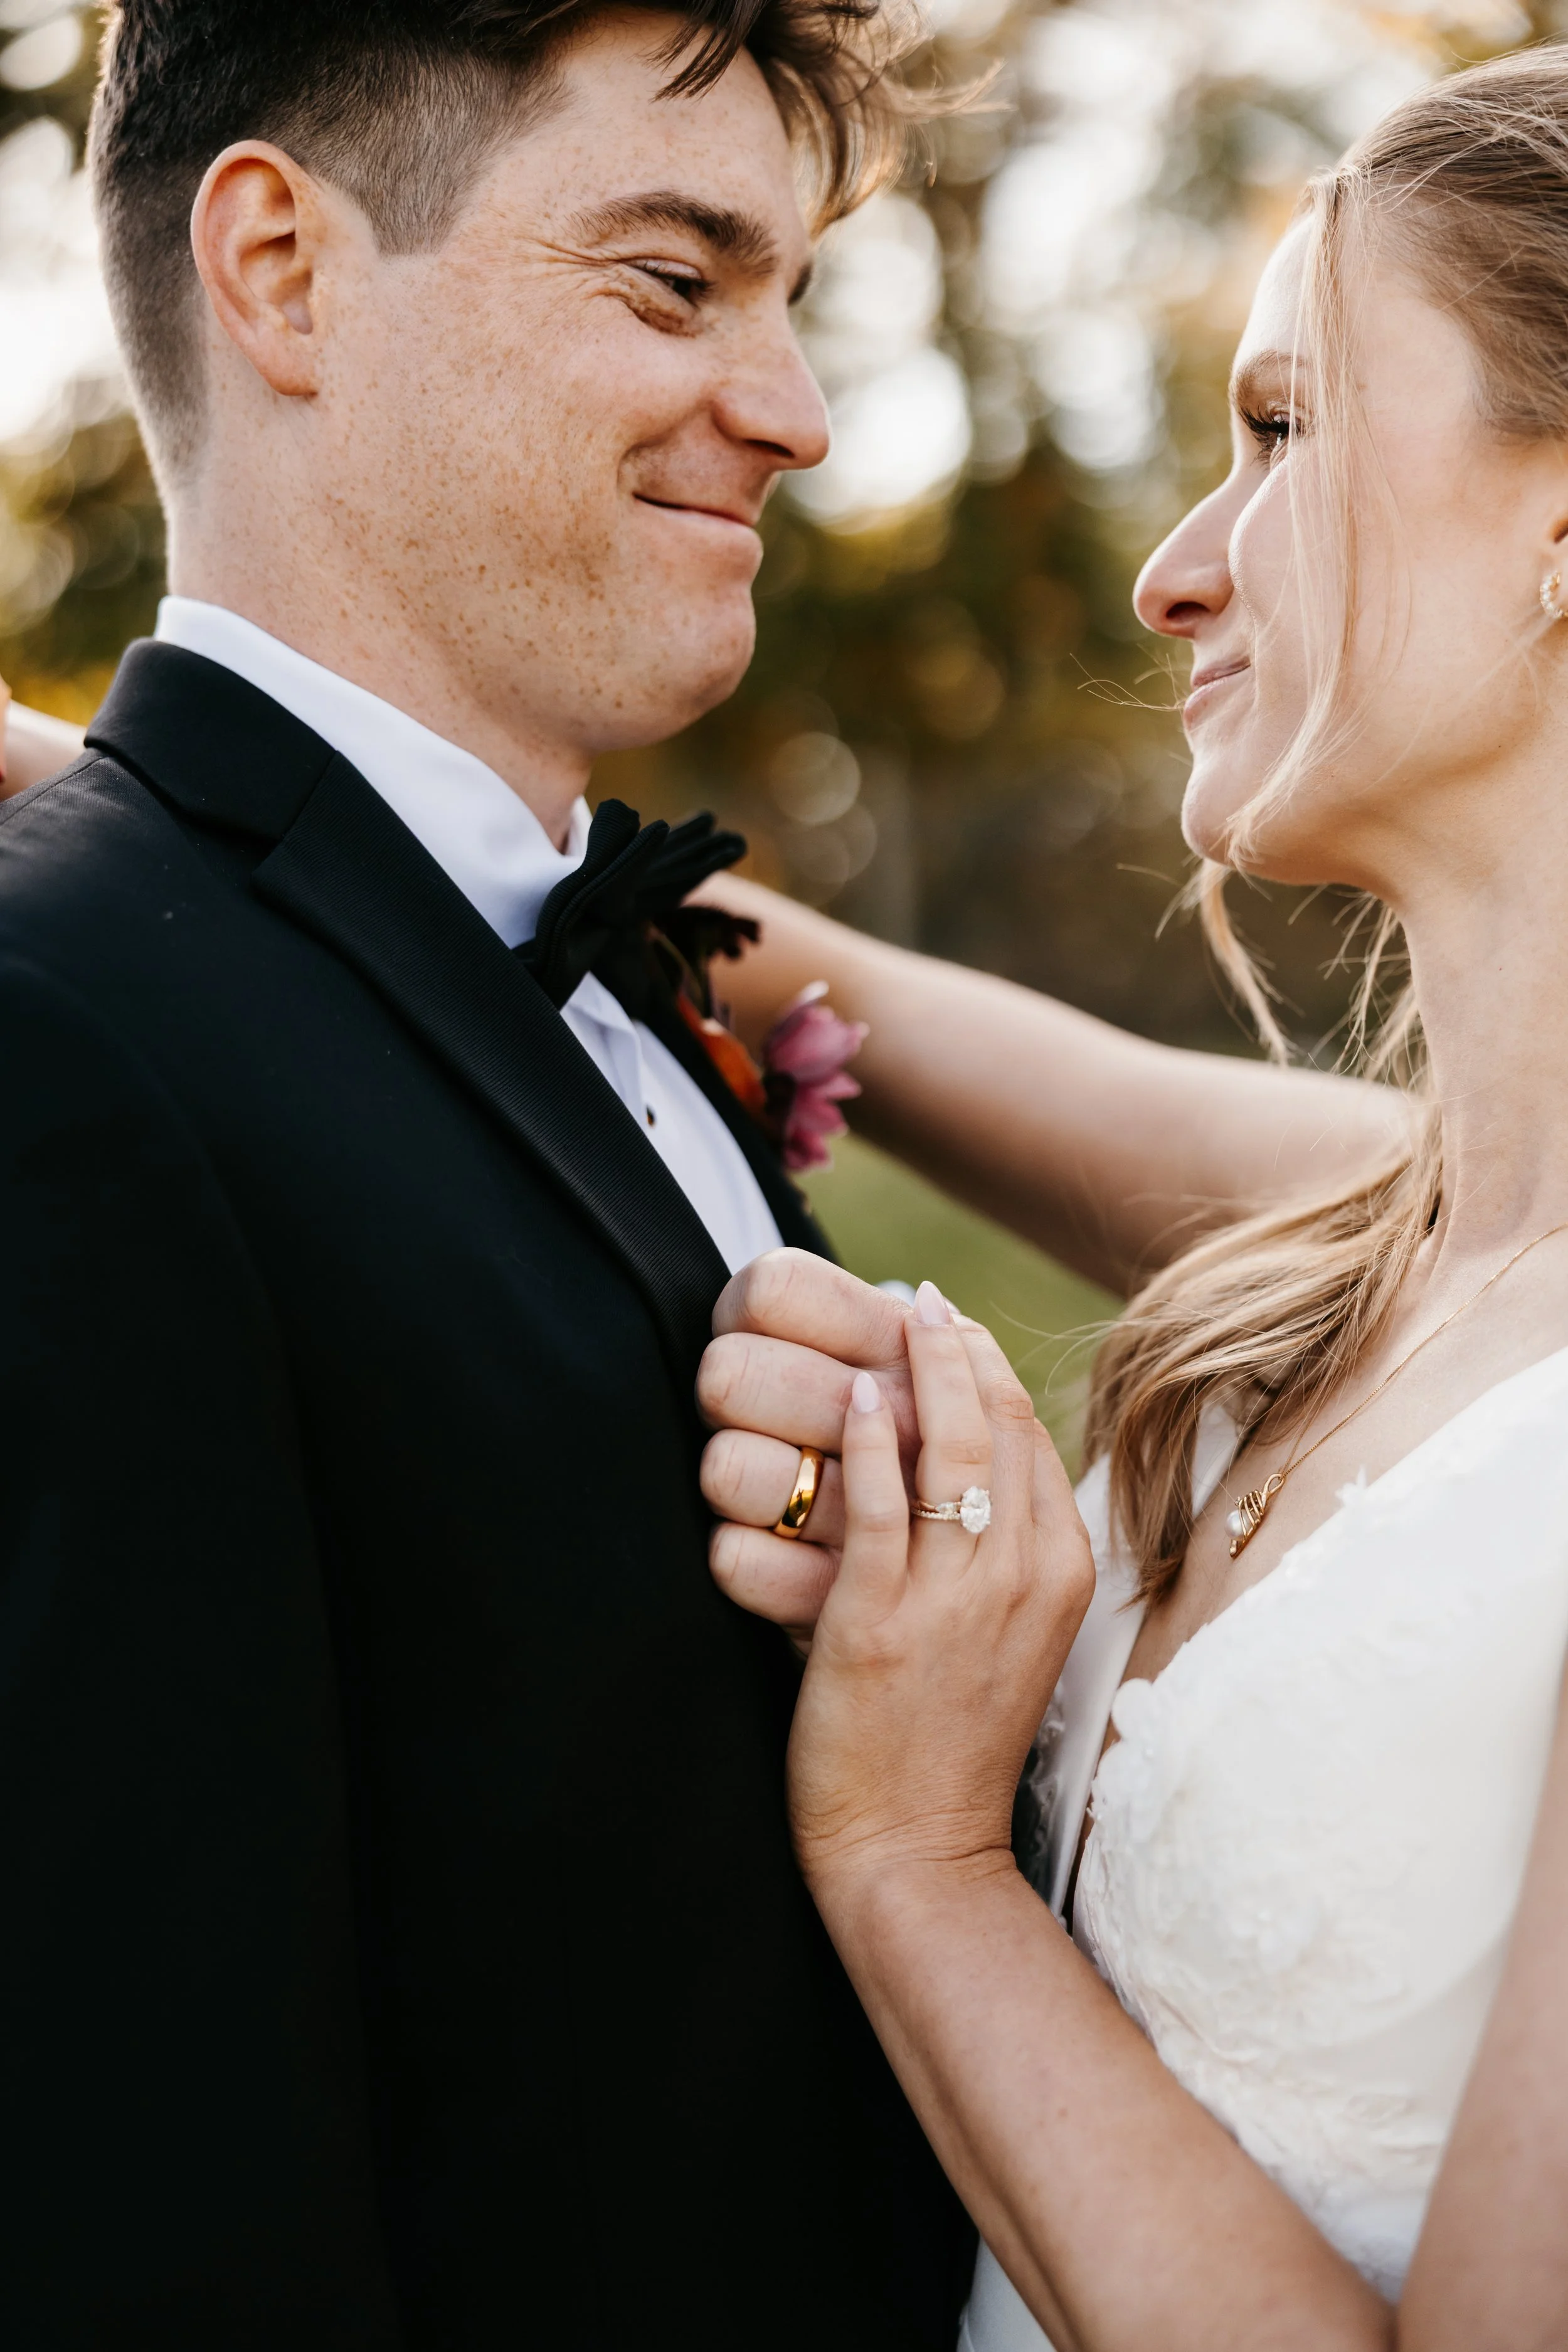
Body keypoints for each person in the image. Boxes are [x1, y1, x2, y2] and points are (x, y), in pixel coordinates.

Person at [0, 6, 978, 2342]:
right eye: (669, 284)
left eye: (792, 304)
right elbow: (136, 2185)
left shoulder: (617, 974)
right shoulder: (62, 1046)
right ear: (282, 270)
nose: (799, 413)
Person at [698, 46, 1568, 2351]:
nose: (1176, 570)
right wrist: (191, 806)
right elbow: (898, 1016)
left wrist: (910, 1844)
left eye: (1278, 433)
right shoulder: (1396, 1238)